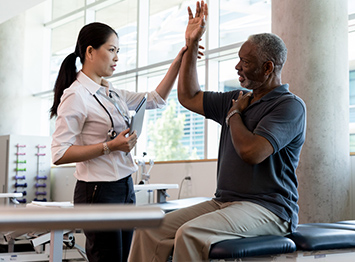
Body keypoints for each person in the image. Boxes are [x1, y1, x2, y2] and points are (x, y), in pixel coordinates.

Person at [128, 1, 306, 261]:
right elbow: (189, 96)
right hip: (224, 202)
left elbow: (252, 152)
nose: (237, 67)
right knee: (148, 230)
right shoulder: (237, 97)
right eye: (238, 60)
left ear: (268, 68)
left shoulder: (289, 106)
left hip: (269, 210)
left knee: (189, 233)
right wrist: (192, 43)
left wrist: (234, 114)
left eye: (245, 62)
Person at [50, 22, 186, 262]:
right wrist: (110, 146)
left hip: (124, 186)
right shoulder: (76, 96)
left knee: (126, 258)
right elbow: (59, 154)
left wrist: (179, 61)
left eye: (118, 51)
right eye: (111, 50)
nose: (116, 58)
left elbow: (154, 99)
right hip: (97, 191)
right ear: (90, 52)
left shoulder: (111, 92)